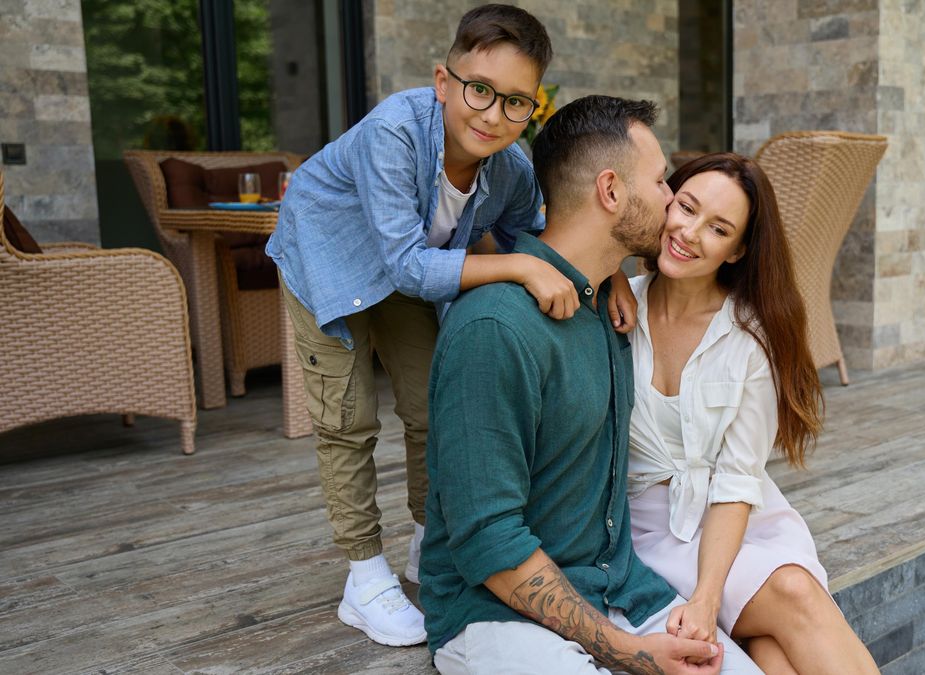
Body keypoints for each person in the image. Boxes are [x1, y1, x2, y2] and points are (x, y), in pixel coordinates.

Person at [267, 4, 634, 647]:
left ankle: (428, 539)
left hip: (409, 269)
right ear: (444, 81)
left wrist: (611, 275)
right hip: (328, 260)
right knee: (347, 420)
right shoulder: (394, 133)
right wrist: (516, 266)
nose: (492, 115)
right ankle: (363, 576)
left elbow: (537, 233)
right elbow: (412, 264)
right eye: (479, 90)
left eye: (516, 102)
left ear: (533, 107)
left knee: (430, 407)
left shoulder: (511, 166)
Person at [420, 96, 764, 674]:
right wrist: (629, 653)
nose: (671, 201)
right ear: (610, 191)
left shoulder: (606, 303)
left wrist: (612, 283)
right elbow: (489, 541)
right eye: (661, 181)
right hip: (497, 617)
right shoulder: (494, 330)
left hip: (622, 591)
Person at [626, 153, 880, 674]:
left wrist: (706, 599)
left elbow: (737, 482)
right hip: (648, 533)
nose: (689, 233)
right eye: (686, 208)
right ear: (666, 200)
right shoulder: (616, 306)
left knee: (787, 612)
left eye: (718, 228)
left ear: (738, 249)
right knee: (781, 627)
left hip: (739, 527)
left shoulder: (750, 335)